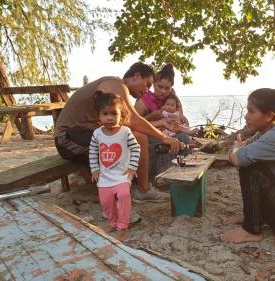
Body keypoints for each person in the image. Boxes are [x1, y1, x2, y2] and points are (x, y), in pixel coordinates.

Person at [54, 62, 181, 203]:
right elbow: (133, 120)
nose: (147, 90)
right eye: (147, 84)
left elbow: (127, 122)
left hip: (81, 135)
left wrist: (160, 124)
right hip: (67, 139)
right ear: (136, 76)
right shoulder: (115, 84)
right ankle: (142, 191)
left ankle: (136, 188)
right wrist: (164, 138)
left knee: (128, 136)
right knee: (137, 137)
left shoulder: (117, 89)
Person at [220, 88, 275, 244]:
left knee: (251, 167)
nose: (246, 116)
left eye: (251, 112)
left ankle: (251, 230)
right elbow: (238, 158)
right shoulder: (265, 133)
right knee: (249, 163)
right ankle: (254, 216)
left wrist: (237, 149)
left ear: (269, 116)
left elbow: (237, 159)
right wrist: (238, 151)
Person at [89, 92, 138, 241]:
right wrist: (95, 169)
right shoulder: (97, 134)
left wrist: (132, 167)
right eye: (105, 114)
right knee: (106, 201)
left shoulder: (125, 132)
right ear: (99, 116)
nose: (109, 118)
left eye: (114, 114)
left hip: (122, 175)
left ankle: (123, 226)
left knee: (123, 195)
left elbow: (136, 148)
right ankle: (113, 223)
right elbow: (92, 151)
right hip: (105, 177)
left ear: (121, 115)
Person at [133, 64, 192, 187]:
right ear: (153, 84)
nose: (163, 91)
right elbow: (131, 125)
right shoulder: (144, 100)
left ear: (171, 88)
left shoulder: (172, 100)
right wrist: (150, 117)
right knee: (164, 143)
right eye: (160, 87)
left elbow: (181, 121)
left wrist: (182, 120)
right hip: (149, 140)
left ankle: (179, 170)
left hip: (168, 135)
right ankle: (161, 175)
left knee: (185, 139)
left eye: (167, 88)